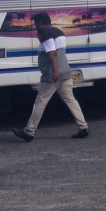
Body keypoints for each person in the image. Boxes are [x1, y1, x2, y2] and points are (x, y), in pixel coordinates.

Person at [12, 12, 90, 142]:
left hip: (52, 76)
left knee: (40, 103)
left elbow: (52, 54)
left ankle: (29, 132)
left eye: (36, 24)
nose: (35, 26)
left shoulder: (45, 35)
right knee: (71, 101)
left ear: (41, 23)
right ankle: (84, 127)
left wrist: (55, 72)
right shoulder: (59, 32)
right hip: (66, 73)